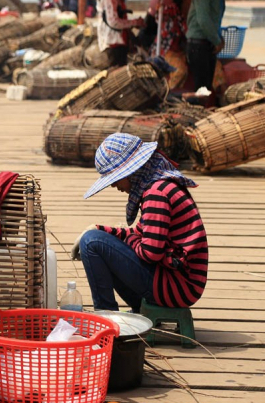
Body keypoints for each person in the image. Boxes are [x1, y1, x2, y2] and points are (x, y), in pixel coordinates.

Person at [73, 133, 208, 313]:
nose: (114, 186)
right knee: (94, 236)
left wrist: (114, 240)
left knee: (91, 242)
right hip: (179, 284)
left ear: (131, 172)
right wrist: (99, 229)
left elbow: (150, 253)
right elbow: (139, 233)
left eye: (115, 179)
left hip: (175, 286)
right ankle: (131, 312)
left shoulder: (156, 193)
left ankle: (106, 316)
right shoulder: (159, 185)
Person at [149, 0, 196, 89]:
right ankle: (166, 93)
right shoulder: (172, 10)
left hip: (181, 51)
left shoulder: (189, 14)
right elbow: (159, 16)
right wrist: (160, 2)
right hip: (165, 51)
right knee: (180, 70)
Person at [186, 0, 226, 98]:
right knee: (201, 90)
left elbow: (214, 19)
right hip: (198, 45)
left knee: (206, 89)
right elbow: (203, 20)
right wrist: (217, 40)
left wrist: (218, 38)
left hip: (208, 44)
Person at [96, 0, 145, 68]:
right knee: (116, 72)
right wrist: (135, 22)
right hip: (113, 42)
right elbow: (113, 22)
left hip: (119, 41)